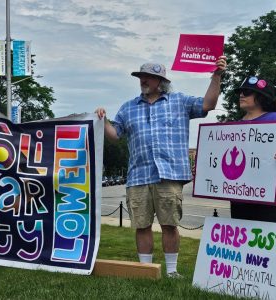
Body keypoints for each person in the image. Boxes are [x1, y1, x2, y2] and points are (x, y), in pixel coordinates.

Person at [95, 58, 227, 277]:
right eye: (140, 77)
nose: (142, 80)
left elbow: (208, 105)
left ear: (160, 81)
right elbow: (115, 135)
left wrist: (217, 76)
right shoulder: (128, 108)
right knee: (142, 225)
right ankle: (146, 270)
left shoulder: (180, 101)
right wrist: (102, 119)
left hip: (170, 175)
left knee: (169, 224)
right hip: (138, 176)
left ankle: (172, 271)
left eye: (147, 77)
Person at [230, 76, 276, 223]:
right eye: (241, 92)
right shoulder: (236, 125)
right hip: (246, 195)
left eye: (247, 92)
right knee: (247, 241)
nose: (241, 95)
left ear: (261, 97)